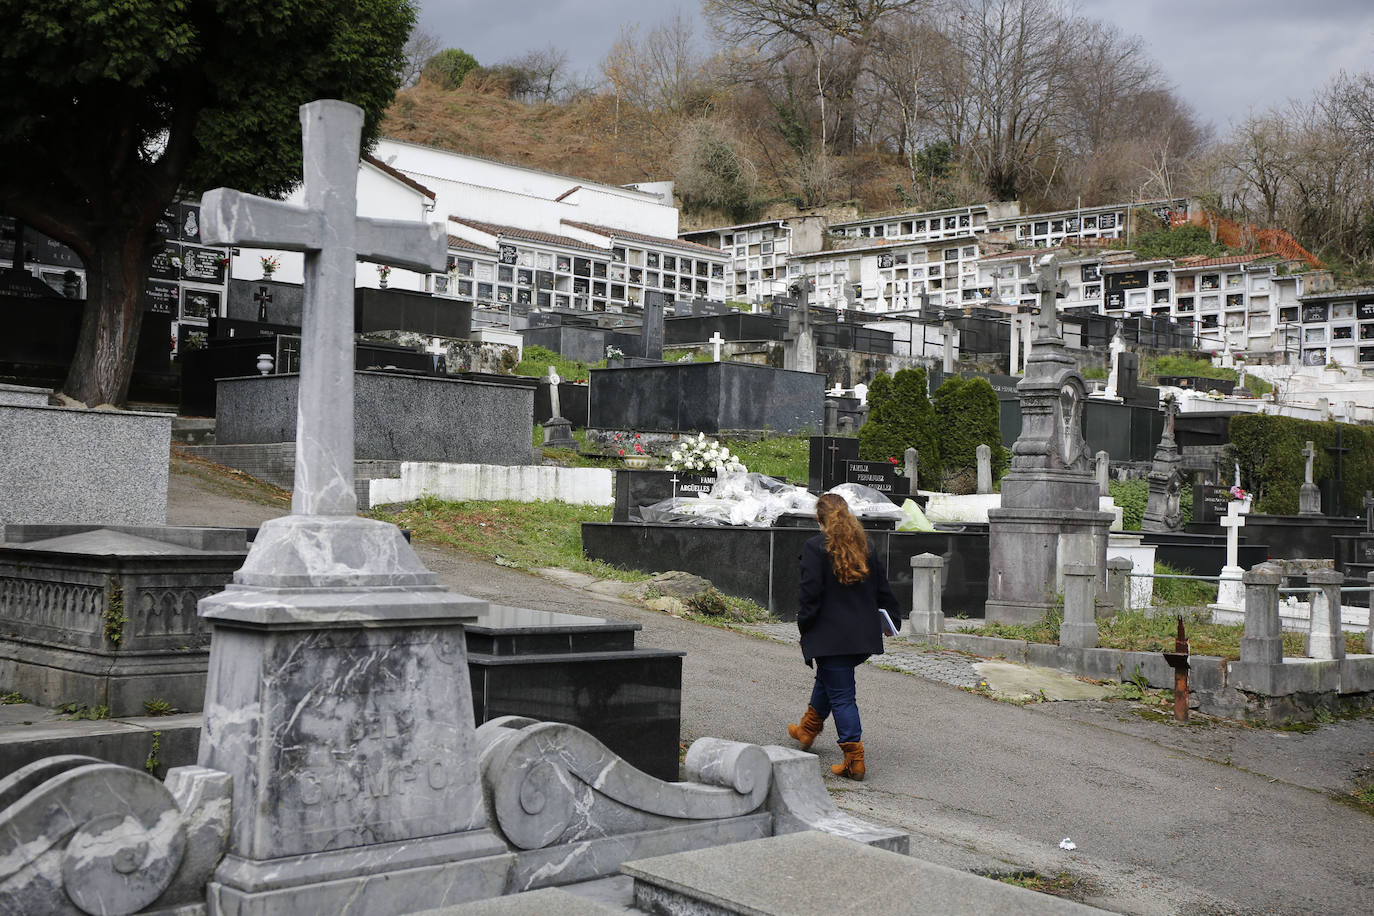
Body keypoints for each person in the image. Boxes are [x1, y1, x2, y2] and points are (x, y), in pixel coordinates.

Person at [786, 493, 899, 781]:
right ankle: (808, 729)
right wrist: (892, 621)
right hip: (861, 637)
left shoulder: (815, 548)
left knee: (843, 695)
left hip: (831, 636)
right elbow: (883, 589)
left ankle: (854, 760)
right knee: (830, 679)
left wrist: (805, 628)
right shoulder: (865, 545)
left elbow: (810, 595)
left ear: (819, 519)